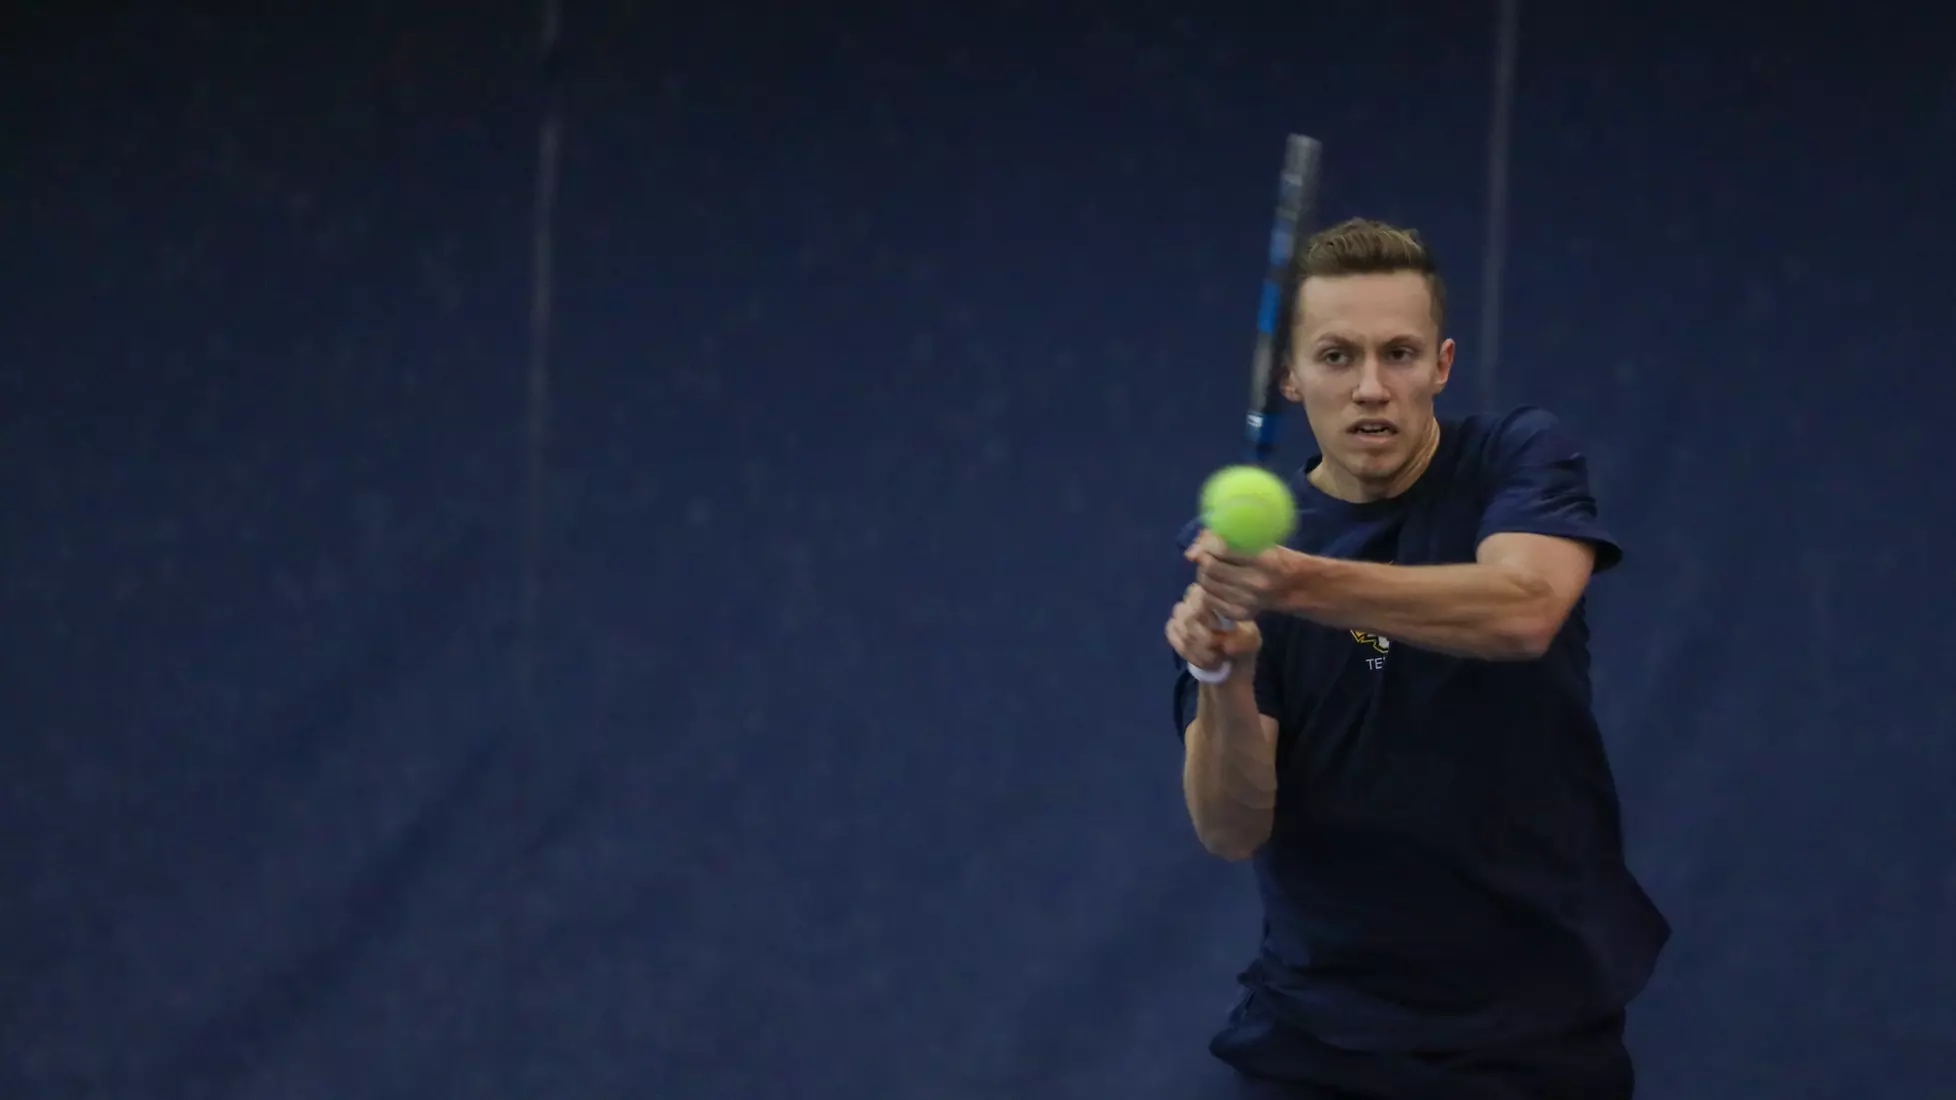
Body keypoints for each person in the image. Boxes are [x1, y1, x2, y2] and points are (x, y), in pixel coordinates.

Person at [1165, 218, 1670, 1098]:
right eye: (1336, 356)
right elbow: (1231, 827)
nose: (1371, 388)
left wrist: (1291, 583)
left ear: (1440, 366)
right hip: (1317, 1042)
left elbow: (1523, 611)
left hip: (1535, 1039)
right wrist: (1225, 674)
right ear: (1291, 376)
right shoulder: (1236, 562)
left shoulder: (1517, 457)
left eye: (1398, 354)